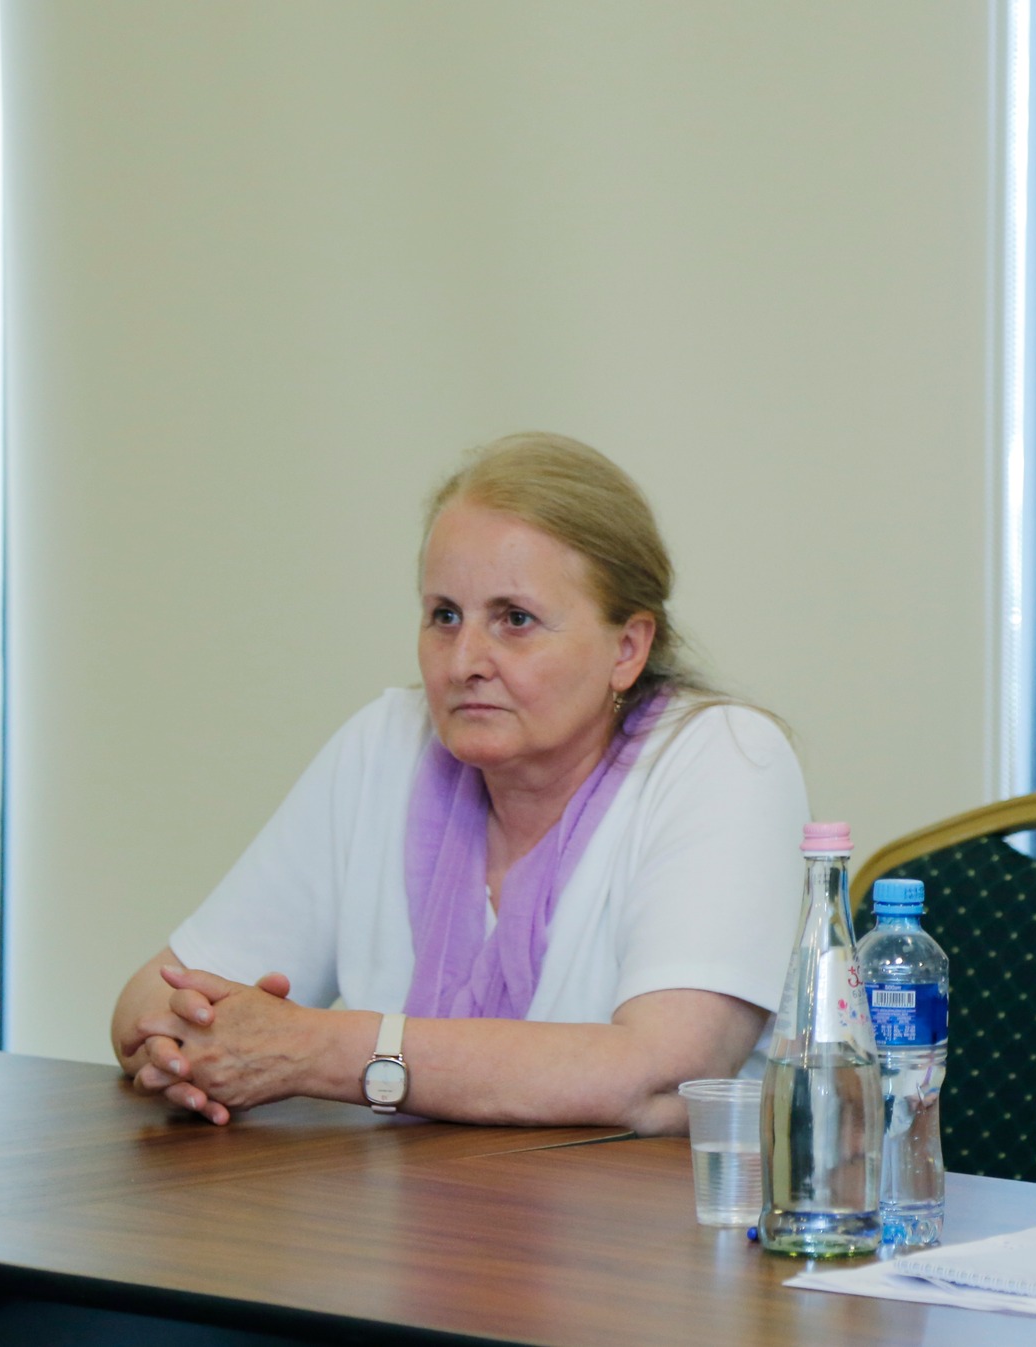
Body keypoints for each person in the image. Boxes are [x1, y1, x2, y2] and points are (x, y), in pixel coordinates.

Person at [112, 432, 808, 1133]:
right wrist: (189, 1040)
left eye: (515, 619)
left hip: (643, 1206)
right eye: (444, 616)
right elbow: (147, 1004)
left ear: (627, 648)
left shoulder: (723, 756)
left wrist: (315, 1051)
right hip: (399, 1202)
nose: (464, 661)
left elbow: (663, 1076)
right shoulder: (388, 741)